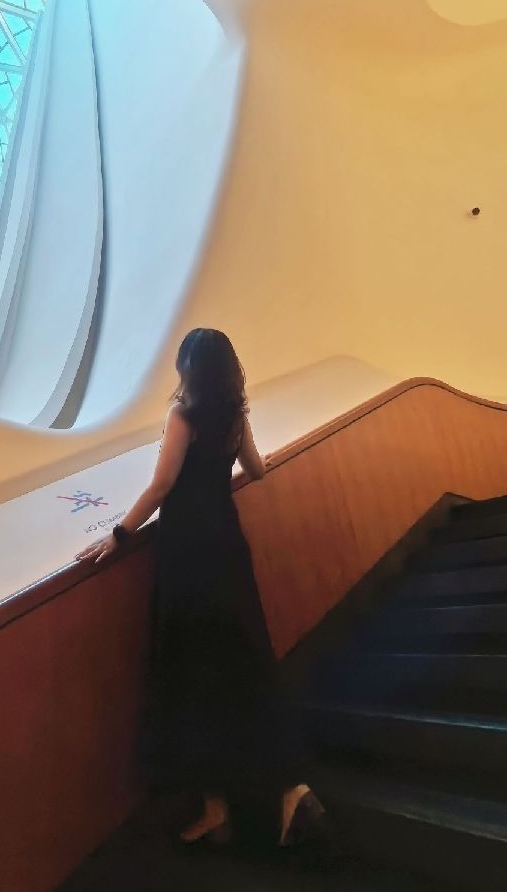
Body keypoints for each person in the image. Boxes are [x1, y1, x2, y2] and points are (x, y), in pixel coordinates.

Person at [77, 328, 328, 849]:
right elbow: (257, 471)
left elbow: (162, 484)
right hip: (228, 550)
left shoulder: (183, 417)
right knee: (245, 664)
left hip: (188, 556)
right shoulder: (235, 417)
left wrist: (119, 535)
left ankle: (216, 808)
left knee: (195, 674)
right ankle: (289, 790)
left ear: (188, 369)